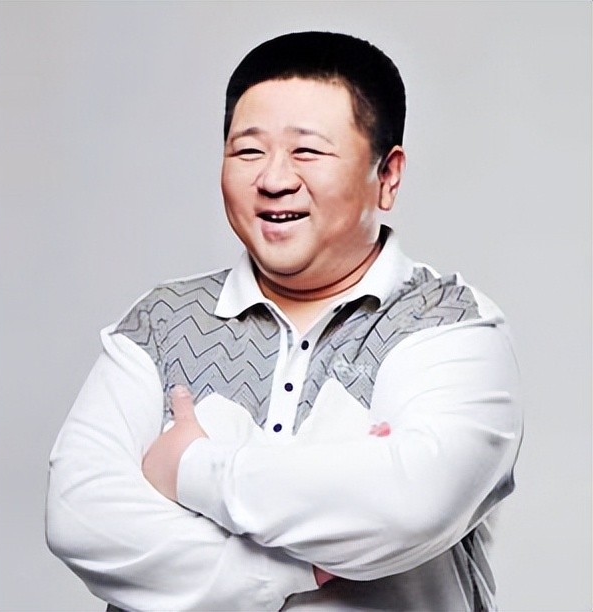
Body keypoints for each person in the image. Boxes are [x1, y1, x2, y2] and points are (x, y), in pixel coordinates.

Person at [46, 31, 522, 611]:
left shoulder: (448, 324)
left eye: (308, 152)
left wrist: (190, 467)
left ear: (388, 175)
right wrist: (295, 565)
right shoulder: (161, 323)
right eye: (248, 152)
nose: (274, 180)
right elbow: (79, 517)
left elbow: (410, 506)